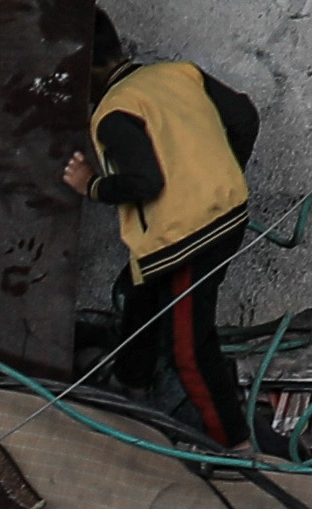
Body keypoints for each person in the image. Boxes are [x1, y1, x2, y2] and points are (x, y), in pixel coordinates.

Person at [60, 31, 266, 447]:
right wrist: (217, 175)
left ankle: (234, 446)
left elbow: (144, 182)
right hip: (227, 214)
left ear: (89, 73)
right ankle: (131, 381)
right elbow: (244, 116)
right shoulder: (179, 74)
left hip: (188, 239)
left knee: (190, 348)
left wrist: (91, 185)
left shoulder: (113, 114)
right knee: (143, 290)